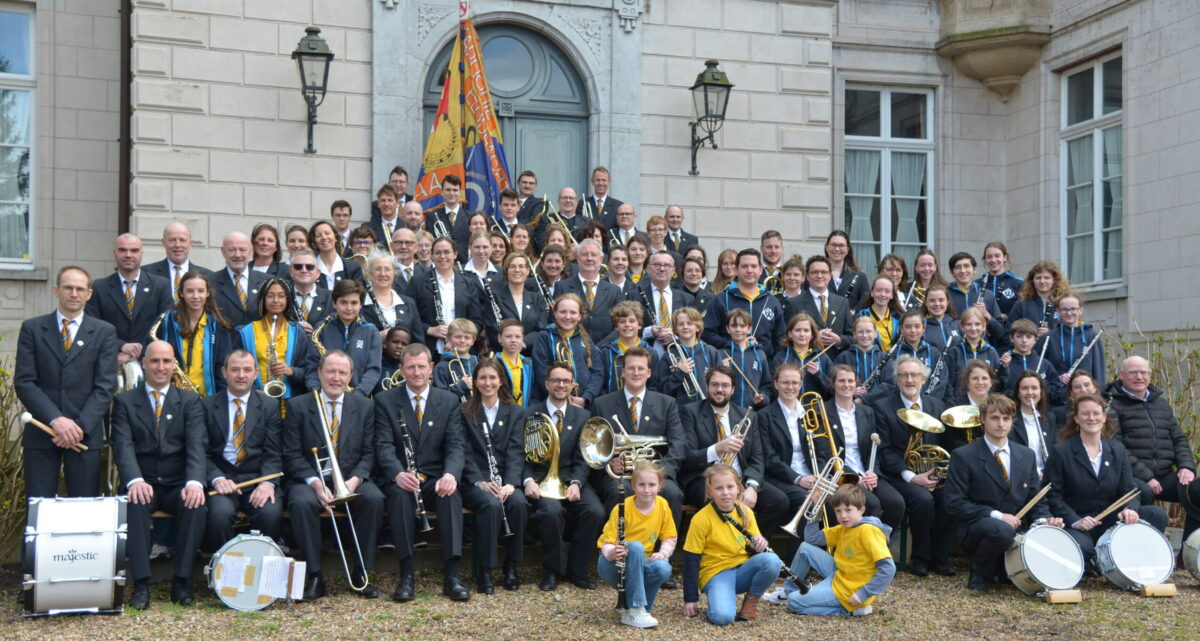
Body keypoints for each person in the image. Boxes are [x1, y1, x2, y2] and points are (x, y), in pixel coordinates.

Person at [110, 340, 207, 608]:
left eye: (166, 361)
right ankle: (141, 584)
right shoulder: (124, 402)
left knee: (196, 506)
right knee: (135, 501)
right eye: (155, 361)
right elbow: (122, 444)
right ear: (144, 363)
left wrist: (195, 482)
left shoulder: (190, 401)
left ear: (174, 364)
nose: (160, 367)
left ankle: (182, 580)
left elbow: (196, 445)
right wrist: (134, 479)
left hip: (178, 483)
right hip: (143, 480)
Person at [283, 350, 384, 600]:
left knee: (374, 499)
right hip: (310, 478)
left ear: (351, 376)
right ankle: (315, 575)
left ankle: (361, 571)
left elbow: (370, 452)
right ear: (319, 373)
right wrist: (316, 485)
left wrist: (355, 480)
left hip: (350, 478)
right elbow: (292, 454)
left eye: (342, 372)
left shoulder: (365, 406)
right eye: (330, 371)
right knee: (301, 502)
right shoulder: (297, 406)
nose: (336, 378)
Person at [373, 344, 471, 602]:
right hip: (403, 477)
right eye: (411, 367)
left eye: (421, 366)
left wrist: (451, 474)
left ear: (431, 369)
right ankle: (406, 574)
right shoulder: (385, 400)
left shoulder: (448, 400)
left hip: (436, 477)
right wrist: (397, 473)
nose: (416, 372)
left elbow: (455, 445)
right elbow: (382, 445)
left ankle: (452, 574)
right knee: (399, 496)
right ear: (401, 369)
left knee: (451, 495)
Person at [15, 266, 118, 497]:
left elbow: (105, 386)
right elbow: (25, 382)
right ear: (56, 291)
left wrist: (78, 427)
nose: (74, 293)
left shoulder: (104, 332)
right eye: (68, 288)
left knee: (83, 512)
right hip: (41, 432)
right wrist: (57, 420)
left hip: (85, 434)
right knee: (39, 510)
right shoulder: (32, 329)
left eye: (80, 289)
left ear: (89, 294)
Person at [944, 394, 1063, 591]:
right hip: (977, 527)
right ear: (983, 419)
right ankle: (979, 571)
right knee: (1001, 530)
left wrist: (1044, 520)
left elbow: (1036, 498)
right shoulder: (963, 456)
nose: (1001, 424)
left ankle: (1003, 570)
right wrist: (998, 516)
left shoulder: (1026, 455)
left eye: (1006, 418)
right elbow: (954, 502)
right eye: (994, 418)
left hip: (1017, 527)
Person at [1046, 393, 1168, 570]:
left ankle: (1128, 561)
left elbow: (1129, 490)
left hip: (1110, 521)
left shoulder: (1117, 450)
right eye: (1085, 414)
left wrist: (1130, 509)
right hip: (1079, 522)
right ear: (1076, 419)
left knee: (1156, 515)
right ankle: (1100, 559)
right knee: (1083, 549)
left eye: (1096, 413)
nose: (1092, 418)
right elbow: (1053, 496)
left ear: (1104, 417)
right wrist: (1075, 520)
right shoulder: (1061, 451)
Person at [523, 361, 607, 590]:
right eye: (556, 380)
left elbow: (584, 457)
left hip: (572, 478)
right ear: (547, 383)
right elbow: (519, 453)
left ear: (573, 385)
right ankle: (553, 570)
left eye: (566, 381)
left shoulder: (583, 416)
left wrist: (578, 483)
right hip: (541, 480)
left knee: (595, 511)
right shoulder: (529, 414)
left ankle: (577, 571)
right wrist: (528, 480)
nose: (561, 385)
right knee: (551, 512)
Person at [681, 365, 790, 538]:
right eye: (715, 385)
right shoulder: (690, 412)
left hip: (740, 479)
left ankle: (750, 546)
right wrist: (717, 449)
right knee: (722, 501)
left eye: (725, 386)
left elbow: (757, 457)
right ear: (707, 387)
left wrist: (752, 487)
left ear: (732, 389)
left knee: (779, 501)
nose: (719, 390)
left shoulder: (747, 416)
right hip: (704, 479)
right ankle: (728, 550)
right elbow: (686, 457)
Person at [868, 355, 953, 577]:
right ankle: (920, 558)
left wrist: (937, 475)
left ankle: (940, 558)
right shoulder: (883, 407)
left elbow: (943, 444)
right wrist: (912, 477)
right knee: (922, 500)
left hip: (932, 472)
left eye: (914, 375)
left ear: (923, 379)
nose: (909, 379)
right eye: (903, 375)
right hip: (899, 474)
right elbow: (884, 451)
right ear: (896, 380)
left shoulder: (937, 405)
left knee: (949, 499)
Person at [591, 346, 687, 527]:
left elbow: (679, 444)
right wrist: (609, 462)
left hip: (657, 474)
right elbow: (594, 445)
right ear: (623, 372)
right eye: (631, 368)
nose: (636, 373)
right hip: (619, 477)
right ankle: (618, 549)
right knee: (620, 492)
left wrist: (659, 471)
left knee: (673, 494)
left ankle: (664, 550)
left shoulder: (667, 403)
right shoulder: (602, 404)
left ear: (649, 373)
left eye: (641, 368)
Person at [1107, 355, 1200, 539]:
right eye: (1133, 372)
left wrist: (1186, 467)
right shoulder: (1112, 405)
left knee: (1197, 491)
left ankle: (1189, 551)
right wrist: (1147, 476)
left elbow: (1179, 439)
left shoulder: (1161, 404)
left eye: (1144, 372)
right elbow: (1115, 446)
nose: (1139, 377)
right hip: (1132, 477)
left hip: (1165, 475)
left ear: (1150, 376)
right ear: (1121, 375)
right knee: (1146, 493)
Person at [201, 350, 284, 552]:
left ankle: (261, 573)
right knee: (219, 516)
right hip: (222, 481)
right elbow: (201, 452)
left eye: (247, 370)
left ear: (255, 374)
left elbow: (274, 451)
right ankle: (221, 572)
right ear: (224, 372)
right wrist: (217, 479)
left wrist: (267, 483)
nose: (241, 375)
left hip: (256, 478)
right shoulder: (206, 405)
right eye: (235, 369)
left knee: (270, 513)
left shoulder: (269, 405)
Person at [682, 464, 782, 625]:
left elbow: (752, 547)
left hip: (742, 569)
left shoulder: (745, 511)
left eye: (730, 486)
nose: (726, 492)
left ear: (738, 488)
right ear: (710, 491)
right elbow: (691, 559)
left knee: (772, 560)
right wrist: (690, 598)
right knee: (723, 618)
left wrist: (760, 544)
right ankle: (718, 600)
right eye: (719, 488)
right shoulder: (701, 519)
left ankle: (750, 601)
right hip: (716, 572)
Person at [459, 358, 528, 593]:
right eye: (482, 378)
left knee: (518, 503)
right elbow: (463, 452)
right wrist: (479, 481)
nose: (487, 383)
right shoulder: (465, 411)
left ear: (500, 381)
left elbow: (517, 450)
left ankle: (511, 566)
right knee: (490, 506)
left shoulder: (516, 412)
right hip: (475, 482)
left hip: (505, 480)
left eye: (492, 378)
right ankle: (485, 570)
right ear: (475, 382)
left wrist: (510, 484)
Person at [773, 484, 895, 617]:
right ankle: (789, 590)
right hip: (840, 574)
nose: (843, 516)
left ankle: (849, 610)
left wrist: (864, 593)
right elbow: (811, 538)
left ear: (861, 510)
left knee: (794, 602)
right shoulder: (844, 528)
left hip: (850, 589)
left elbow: (888, 568)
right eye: (838, 511)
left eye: (848, 510)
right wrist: (817, 509)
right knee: (804, 548)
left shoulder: (868, 531)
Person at [817, 365, 906, 531]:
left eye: (850, 381)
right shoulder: (822, 411)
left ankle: (876, 547)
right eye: (841, 380)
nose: (846, 385)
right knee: (872, 504)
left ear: (856, 384)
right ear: (833, 383)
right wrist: (855, 478)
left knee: (896, 504)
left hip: (866, 472)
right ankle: (858, 550)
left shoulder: (867, 412)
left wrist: (873, 473)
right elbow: (825, 454)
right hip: (841, 475)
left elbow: (874, 449)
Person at [597, 459, 678, 629]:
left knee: (664, 568)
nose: (647, 490)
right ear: (633, 485)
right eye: (641, 485)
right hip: (613, 564)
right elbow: (607, 541)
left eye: (651, 485)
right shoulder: (623, 507)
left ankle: (635, 609)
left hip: (640, 565)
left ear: (660, 485)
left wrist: (663, 553)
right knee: (635, 547)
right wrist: (612, 551)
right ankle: (636, 607)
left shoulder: (662, 505)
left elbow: (670, 537)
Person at [86, 234, 173, 368]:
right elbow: (92, 328)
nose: (128, 255)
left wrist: (137, 352)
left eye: (134, 250)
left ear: (141, 253)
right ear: (115, 253)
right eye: (122, 250)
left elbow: (166, 327)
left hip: (151, 365)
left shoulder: (160, 286)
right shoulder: (99, 287)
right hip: (111, 363)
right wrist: (121, 347)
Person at [150, 271, 239, 396]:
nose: (196, 296)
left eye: (201, 291)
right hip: (170, 396)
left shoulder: (218, 326)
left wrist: (220, 400)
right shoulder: (165, 321)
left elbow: (223, 367)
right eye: (190, 291)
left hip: (207, 398)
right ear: (181, 293)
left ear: (208, 293)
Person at [235, 277, 313, 402]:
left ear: (288, 299)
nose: (276, 300)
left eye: (281, 296)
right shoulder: (246, 332)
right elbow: (236, 368)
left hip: (291, 402)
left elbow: (310, 370)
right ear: (263, 299)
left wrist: (291, 371)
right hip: (256, 400)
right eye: (270, 296)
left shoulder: (298, 332)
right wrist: (254, 391)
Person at [704, 249, 786, 358]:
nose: (749, 270)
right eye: (744, 266)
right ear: (736, 269)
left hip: (764, 369)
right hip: (729, 367)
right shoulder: (720, 300)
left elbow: (780, 340)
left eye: (754, 266)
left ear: (761, 270)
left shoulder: (772, 301)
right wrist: (733, 345)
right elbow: (707, 333)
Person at [412, 236, 484, 355]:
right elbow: (411, 318)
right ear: (432, 255)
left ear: (455, 254)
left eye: (447, 252)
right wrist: (429, 330)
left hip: (462, 350)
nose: (442, 256)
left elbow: (476, 320)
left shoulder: (469, 283)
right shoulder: (417, 282)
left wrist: (459, 339)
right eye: (438, 253)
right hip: (428, 349)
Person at [531, 294, 597, 407]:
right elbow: (542, 373)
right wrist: (566, 400)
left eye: (573, 312)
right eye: (563, 312)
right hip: (555, 402)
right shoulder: (545, 336)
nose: (567, 316)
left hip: (583, 403)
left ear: (580, 315)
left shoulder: (585, 337)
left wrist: (587, 397)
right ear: (555, 313)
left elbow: (597, 371)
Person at [557, 239, 623, 344]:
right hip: (572, 350)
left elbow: (619, 324)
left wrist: (600, 348)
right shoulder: (562, 287)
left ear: (601, 259)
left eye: (593, 254)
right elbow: (555, 320)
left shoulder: (614, 291)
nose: (589, 258)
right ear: (577, 259)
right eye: (584, 254)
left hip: (604, 351)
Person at [589, 301, 660, 398]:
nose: (627, 325)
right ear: (616, 326)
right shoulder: (606, 352)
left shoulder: (651, 353)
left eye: (632, 321)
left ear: (639, 325)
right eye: (622, 321)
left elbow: (653, 386)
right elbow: (601, 384)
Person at [783, 255, 852, 352]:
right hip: (807, 362)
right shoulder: (793, 303)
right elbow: (785, 337)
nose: (819, 276)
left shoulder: (842, 302)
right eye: (814, 272)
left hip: (836, 363)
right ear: (807, 276)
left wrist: (839, 340)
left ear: (830, 275)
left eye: (824, 272)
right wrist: (812, 337)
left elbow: (852, 337)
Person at [361, 253, 425, 348]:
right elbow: (355, 339)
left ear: (394, 273)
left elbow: (418, 341)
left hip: (403, 360)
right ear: (369, 273)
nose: (383, 274)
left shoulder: (408, 303)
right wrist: (376, 337)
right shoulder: (359, 303)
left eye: (387, 269)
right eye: (377, 269)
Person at [946, 251, 1006, 348]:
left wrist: (987, 316)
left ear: (974, 269)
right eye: (958, 267)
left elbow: (1000, 333)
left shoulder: (987, 295)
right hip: (954, 350)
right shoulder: (945, 296)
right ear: (952, 272)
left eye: (966, 266)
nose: (963, 270)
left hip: (982, 351)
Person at [1046, 293, 1106, 389]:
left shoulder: (1091, 336)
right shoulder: (1048, 338)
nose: (1069, 313)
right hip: (1057, 398)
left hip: (1085, 395)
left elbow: (1099, 371)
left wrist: (1100, 396)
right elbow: (1041, 372)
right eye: (1064, 309)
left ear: (1080, 310)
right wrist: (1056, 379)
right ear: (1058, 311)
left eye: (1073, 309)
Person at [661, 307, 719, 405]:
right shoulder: (668, 355)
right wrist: (679, 373)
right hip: (681, 410)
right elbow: (663, 390)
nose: (685, 327)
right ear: (675, 329)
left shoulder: (711, 352)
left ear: (697, 327)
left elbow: (720, 381)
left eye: (689, 323)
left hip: (708, 407)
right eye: (681, 324)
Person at [212, 231, 269, 328]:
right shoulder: (210, 282)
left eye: (243, 250)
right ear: (223, 251)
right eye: (231, 250)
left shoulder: (267, 281)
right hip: (225, 341)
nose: (238, 255)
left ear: (251, 251)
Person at [942, 307, 1000, 402]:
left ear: (984, 326)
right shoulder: (955, 352)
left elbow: (997, 381)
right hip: (960, 405)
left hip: (986, 405)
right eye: (969, 324)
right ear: (962, 327)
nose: (973, 328)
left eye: (977, 324)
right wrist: (953, 402)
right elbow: (949, 382)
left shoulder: (991, 352)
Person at [998, 319, 1063, 401]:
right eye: (1019, 336)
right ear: (1011, 338)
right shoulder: (1003, 362)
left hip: (1039, 410)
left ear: (1035, 340)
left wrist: (1040, 386)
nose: (1024, 340)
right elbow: (997, 388)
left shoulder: (1044, 363)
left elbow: (1057, 391)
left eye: (1029, 337)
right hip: (1011, 410)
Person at [144, 222, 211, 301]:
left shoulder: (208, 276)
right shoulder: (146, 274)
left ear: (190, 243)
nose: (177, 245)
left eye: (182, 240)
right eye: (172, 240)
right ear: (163, 242)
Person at [492, 253, 546, 352]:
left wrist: (523, 344)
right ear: (506, 270)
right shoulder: (494, 297)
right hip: (503, 354)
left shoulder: (537, 298)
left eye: (521, 266)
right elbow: (493, 327)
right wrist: (511, 346)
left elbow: (542, 328)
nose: (517, 270)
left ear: (527, 271)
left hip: (532, 353)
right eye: (512, 266)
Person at [1009, 370, 1057, 477]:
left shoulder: (1050, 418)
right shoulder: (1009, 420)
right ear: (1018, 393)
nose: (1030, 392)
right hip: (1021, 479)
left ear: (1041, 392)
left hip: (1047, 480)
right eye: (1024, 388)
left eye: (1034, 388)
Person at [721, 308, 771, 409]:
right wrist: (720, 369)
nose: (738, 329)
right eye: (734, 326)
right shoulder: (720, 354)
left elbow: (767, 386)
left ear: (749, 329)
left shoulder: (760, 355)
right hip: (726, 411)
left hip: (752, 411)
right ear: (727, 328)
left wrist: (763, 398)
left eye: (742, 326)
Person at [771, 313, 831, 395]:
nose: (802, 334)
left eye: (806, 330)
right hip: (788, 406)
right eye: (797, 330)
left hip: (815, 407)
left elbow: (833, 390)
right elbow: (773, 389)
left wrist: (819, 374)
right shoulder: (781, 357)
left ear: (812, 335)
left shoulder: (822, 358)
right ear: (790, 334)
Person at [1007, 260, 1069, 335]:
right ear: (1032, 280)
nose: (1042, 281)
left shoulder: (1064, 303)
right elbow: (1009, 333)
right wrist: (1032, 336)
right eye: (1038, 278)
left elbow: (1071, 332)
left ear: (1054, 280)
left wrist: (1052, 335)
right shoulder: (1021, 305)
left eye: (1047, 278)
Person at [834, 316, 887, 394]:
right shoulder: (844, 357)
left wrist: (867, 398)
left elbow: (889, 385)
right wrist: (851, 392)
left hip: (878, 404)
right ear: (854, 334)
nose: (864, 335)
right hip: (851, 403)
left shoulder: (884, 358)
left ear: (875, 334)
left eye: (868, 331)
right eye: (860, 332)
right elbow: (833, 382)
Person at [433, 318, 479, 401]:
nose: (462, 340)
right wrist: (461, 386)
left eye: (467, 338)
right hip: (454, 412)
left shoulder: (476, 363)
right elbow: (439, 398)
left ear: (473, 341)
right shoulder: (441, 367)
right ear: (448, 338)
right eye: (458, 337)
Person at [310, 220, 364, 290]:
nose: (324, 237)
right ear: (314, 242)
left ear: (335, 237)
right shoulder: (309, 269)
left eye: (327, 233)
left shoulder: (353, 267)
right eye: (319, 235)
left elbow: (359, 296)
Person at [855, 275, 903, 352]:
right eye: (879, 290)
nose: (882, 294)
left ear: (892, 295)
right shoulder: (861, 316)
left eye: (887, 291)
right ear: (872, 293)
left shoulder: (899, 317)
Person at [976, 241, 1023, 320]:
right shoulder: (976, 284)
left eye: (997, 256)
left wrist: (1005, 317)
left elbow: (1023, 312)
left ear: (1005, 257)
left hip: (1009, 330)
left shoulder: (1018, 283)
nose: (993, 260)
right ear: (985, 259)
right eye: (989, 257)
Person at [287, 249, 331, 332]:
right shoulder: (283, 296)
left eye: (309, 267)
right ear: (290, 272)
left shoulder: (331, 298)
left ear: (318, 273)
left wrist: (315, 332)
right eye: (298, 267)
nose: (304, 270)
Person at [824, 230, 869, 309]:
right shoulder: (816, 275)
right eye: (833, 245)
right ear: (827, 247)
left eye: (841, 245)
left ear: (847, 249)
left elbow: (865, 304)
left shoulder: (860, 277)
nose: (837, 249)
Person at [496, 319, 533, 405]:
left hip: (524, 413)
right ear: (499, 338)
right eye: (508, 336)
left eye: (517, 336)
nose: (513, 340)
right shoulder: (494, 363)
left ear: (522, 339)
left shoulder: (528, 363)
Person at [921, 285, 959, 352]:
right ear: (926, 303)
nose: (937, 304)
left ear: (947, 302)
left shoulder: (958, 324)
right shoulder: (921, 326)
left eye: (941, 300)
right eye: (932, 300)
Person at [585, 166, 624, 230]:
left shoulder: (618, 206)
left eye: (604, 180)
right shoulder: (582, 204)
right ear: (592, 182)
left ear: (609, 182)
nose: (601, 183)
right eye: (598, 180)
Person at [366, 184, 404, 251]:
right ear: (378, 204)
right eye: (383, 200)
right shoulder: (368, 228)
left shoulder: (406, 227)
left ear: (397, 203)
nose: (386, 204)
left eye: (390, 200)